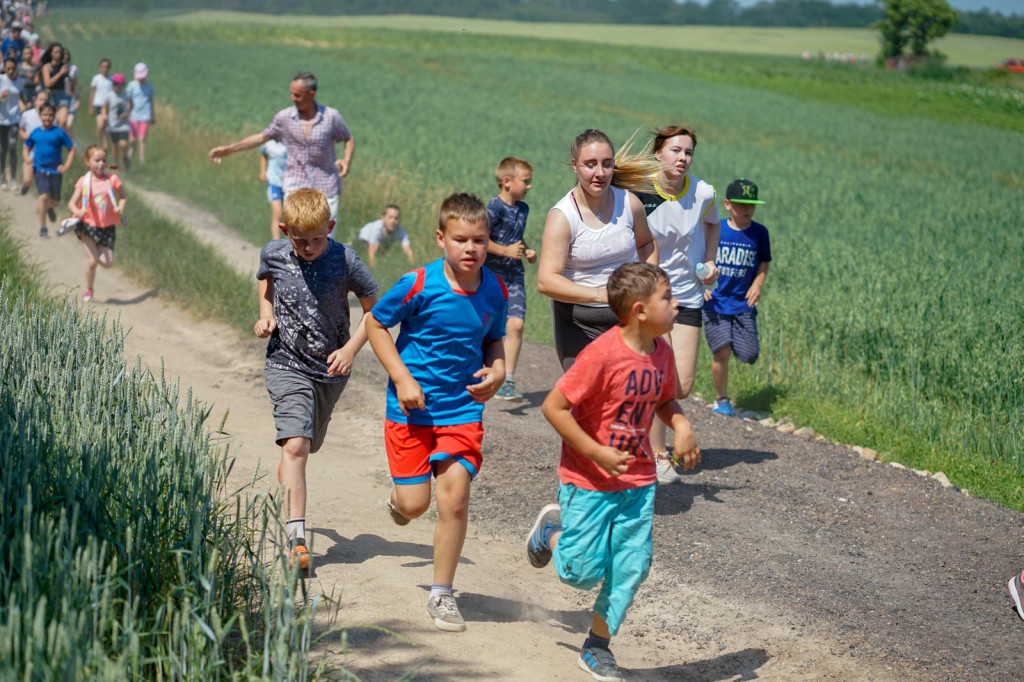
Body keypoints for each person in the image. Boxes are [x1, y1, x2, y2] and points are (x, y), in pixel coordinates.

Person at [525, 262, 701, 682]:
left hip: (637, 482)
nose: (676, 304)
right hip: (587, 481)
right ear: (640, 310)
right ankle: (550, 532)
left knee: (632, 566)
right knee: (578, 572)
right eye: (668, 298)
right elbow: (554, 406)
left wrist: (681, 424)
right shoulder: (602, 354)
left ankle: (596, 647)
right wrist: (595, 451)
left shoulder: (662, 352)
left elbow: (663, 400)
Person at [365, 193, 507, 633]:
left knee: (455, 499)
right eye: (461, 239)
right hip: (410, 410)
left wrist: (499, 370)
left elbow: (494, 339)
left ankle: (442, 594)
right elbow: (375, 323)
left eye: (479, 240)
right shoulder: (418, 283)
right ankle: (399, 499)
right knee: (414, 505)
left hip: (462, 408)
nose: (471, 249)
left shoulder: (495, 289)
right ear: (441, 238)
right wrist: (402, 377)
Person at [254, 188, 380, 572]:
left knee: (306, 446)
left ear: (332, 227)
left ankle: (293, 458)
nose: (308, 247)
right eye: (299, 240)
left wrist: (350, 350)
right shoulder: (274, 252)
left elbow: (375, 310)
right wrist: (266, 314)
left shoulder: (345, 259)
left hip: (330, 370)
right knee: (296, 444)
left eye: (316, 239)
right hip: (285, 363)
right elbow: (266, 282)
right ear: (284, 230)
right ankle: (297, 540)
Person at [635, 124, 720, 483]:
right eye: (675, 151)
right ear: (658, 153)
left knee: (680, 385)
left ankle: (644, 439)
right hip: (653, 298)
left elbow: (713, 225)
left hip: (688, 295)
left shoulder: (703, 193)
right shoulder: (638, 191)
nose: (682, 158)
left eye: (688, 152)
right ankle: (656, 454)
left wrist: (711, 261)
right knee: (658, 379)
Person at [536, 129, 659, 372]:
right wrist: (602, 295)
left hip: (628, 320)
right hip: (579, 325)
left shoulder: (629, 203)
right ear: (575, 165)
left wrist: (649, 281)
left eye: (606, 164)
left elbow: (646, 244)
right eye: (590, 165)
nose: (600, 173)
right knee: (590, 402)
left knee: (632, 396)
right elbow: (546, 281)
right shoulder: (563, 217)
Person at [208, 71, 354, 228]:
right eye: (292, 94)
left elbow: (348, 138)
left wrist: (346, 160)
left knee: (325, 239)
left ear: (311, 94)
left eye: (297, 95)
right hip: (295, 185)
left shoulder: (331, 117)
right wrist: (230, 149)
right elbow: (261, 138)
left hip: (326, 185)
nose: (293, 98)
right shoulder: (284, 117)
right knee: (299, 236)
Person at [703, 179, 771, 416]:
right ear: (728, 204)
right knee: (721, 351)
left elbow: (764, 261)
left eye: (751, 204)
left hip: (743, 304)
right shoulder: (716, 228)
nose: (747, 209)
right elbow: (699, 258)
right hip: (715, 302)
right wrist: (700, 283)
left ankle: (733, 340)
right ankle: (722, 400)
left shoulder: (760, 233)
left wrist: (757, 284)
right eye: (741, 204)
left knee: (749, 354)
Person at [487, 156, 537, 402]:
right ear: (507, 181)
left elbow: (515, 236)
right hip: (489, 277)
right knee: (486, 325)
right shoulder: (493, 208)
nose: (529, 187)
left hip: (514, 276)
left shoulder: (523, 209)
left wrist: (526, 249)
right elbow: (480, 240)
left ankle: (507, 381)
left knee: (516, 324)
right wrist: (505, 251)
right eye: (525, 182)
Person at [63, 144, 125, 302]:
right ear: (87, 162)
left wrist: (120, 208)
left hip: (107, 227)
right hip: (88, 225)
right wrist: (77, 212)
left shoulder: (112, 180)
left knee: (107, 262)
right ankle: (89, 289)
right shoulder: (84, 181)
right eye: (97, 160)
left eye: (104, 160)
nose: (101, 164)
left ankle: (98, 250)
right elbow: (71, 203)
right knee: (93, 261)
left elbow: (123, 197)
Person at [23, 100, 73, 238]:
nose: (48, 118)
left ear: (54, 116)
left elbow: (71, 148)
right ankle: (43, 228)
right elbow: (26, 147)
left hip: (56, 171)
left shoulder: (59, 133)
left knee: (55, 201)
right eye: (45, 115)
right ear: (40, 116)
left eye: (50, 115)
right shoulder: (36, 132)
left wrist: (66, 165)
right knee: (43, 197)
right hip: (40, 169)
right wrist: (27, 158)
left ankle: (49, 208)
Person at [17, 87, 46, 194]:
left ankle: (43, 202)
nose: (43, 102)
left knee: (43, 184)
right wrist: (24, 135)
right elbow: (21, 129)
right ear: (35, 101)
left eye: (45, 100)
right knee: (27, 180)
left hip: (43, 153)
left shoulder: (49, 117)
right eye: (41, 99)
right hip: (29, 151)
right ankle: (24, 189)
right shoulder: (27, 115)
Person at [0, 55, 23, 189]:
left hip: (14, 119)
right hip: (1, 119)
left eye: (13, 68)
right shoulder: (1, 80)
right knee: (3, 149)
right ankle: (2, 175)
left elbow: (23, 94)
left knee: (13, 147)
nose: (10, 71)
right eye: (8, 68)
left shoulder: (19, 81)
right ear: (4, 68)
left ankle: (13, 178)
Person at [125, 62, 154, 164]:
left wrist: (152, 116)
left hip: (145, 116)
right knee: (132, 139)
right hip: (134, 115)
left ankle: (142, 160)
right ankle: (131, 151)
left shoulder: (149, 87)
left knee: (142, 139)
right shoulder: (131, 86)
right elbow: (128, 101)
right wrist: (127, 113)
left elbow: (151, 101)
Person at [259, 138, 287, 240]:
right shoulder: (269, 143)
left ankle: (289, 245)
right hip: (274, 182)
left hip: (290, 184)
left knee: (289, 216)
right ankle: (276, 244)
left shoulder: (292, 140)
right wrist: (262, 171)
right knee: (278, 214)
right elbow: (263, 155)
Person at [38, 42, 70, 130]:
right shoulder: (47, 67)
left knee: (63, 121)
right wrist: (60, 73)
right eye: (56, 52)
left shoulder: (64, 66)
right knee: (53, 121)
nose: (58, 54)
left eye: (60, 52)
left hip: (62, 95)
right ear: (51, 53)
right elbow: (48, 84)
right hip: (50, 95)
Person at [102, 73, 130, 170]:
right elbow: (104, 107)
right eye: (116, 85)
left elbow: (130, 105)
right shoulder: (109, 95)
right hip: (113, 125)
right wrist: (104, 115)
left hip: (124, 125)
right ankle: (116, 164)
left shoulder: (126, 94)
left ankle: (125, 156)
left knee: (123, 144)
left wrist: (126, 113)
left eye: (121, 85)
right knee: (115, 146)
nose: (118, 87)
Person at [88, 57, 111, 147]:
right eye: (103, 67)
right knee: (100, 125)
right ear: (100, 67)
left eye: (107, 67)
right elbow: (92, 92)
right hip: (98, 104)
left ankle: (105, 145)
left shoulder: (111, 79)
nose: (105, 69)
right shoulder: (96, 79)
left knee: (107, 128)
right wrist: (91, 107)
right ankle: (99, 142)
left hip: (108, 105)